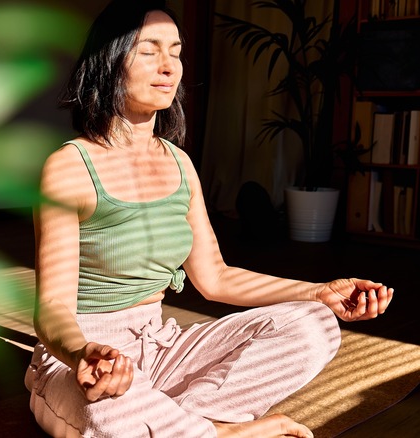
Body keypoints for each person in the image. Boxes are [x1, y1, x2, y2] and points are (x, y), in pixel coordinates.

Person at [24, 1, 394, 437]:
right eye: (148, 51)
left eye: (175, 52)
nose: (168, 67)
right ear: (109, 61)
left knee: (314, 325)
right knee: (107, 413)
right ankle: (214, 430)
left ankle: (194, 425)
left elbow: (216, 277)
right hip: (88, 361)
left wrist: (319, 293)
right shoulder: (69, 168)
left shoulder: (179, 163)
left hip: (161, 347)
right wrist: (83, 353)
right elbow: (52, 308)